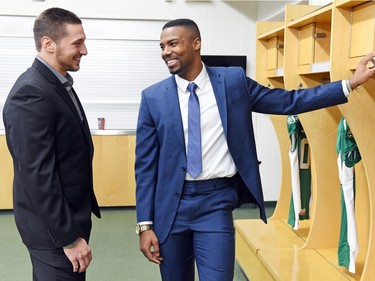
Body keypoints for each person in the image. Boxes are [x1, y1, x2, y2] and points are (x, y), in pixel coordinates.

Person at [134, 18, 375, 281]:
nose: (165, 52)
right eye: (161, 46)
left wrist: (349, 83)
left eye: (172, 44)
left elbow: (289, 101)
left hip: (215, 203)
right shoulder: (153, 97)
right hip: (170, 208)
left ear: (196, 43)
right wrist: (145, 225)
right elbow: (145, 167)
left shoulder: (232, 81)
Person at [2, 7, 101, 281]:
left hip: (67, 220)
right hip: (53, 231)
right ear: (48, 44)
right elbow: (38, 177)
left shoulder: (57, 83)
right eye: (77, 43)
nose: (85, 50)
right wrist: (68, 239)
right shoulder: (31, 92)